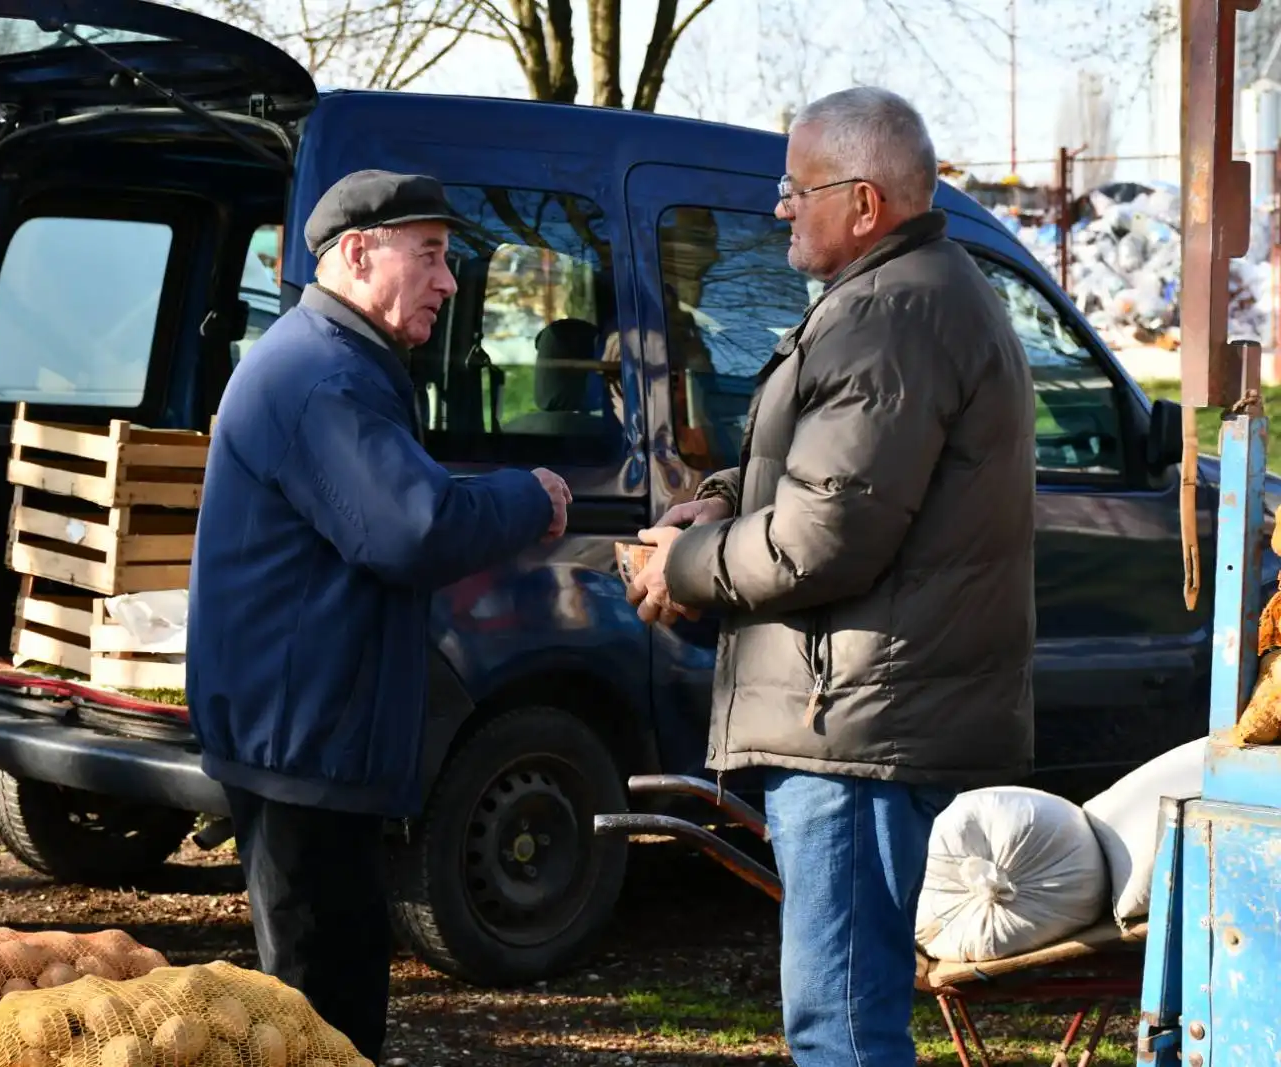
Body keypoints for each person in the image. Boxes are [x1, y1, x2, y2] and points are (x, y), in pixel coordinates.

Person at [625, 86, 1037, 1067]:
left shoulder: (891, 315)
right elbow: (829, 473)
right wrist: (721, 498)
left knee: (842, 1025)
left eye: (795, 188)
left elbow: (825, 535)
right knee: (844, 1016)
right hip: (856, 714)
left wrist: (679, 563)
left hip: (854, 730)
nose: (778, 208)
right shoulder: (902, 298)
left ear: (863, 203)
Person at [186, 169, 571, 1062]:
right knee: (318, 1023)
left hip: (305, 745)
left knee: (326, 1005)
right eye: (430, 255)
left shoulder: (333, 361)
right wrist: (527, 495)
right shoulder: (326, 376)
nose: (448, 280)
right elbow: (411, 527)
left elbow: (401, 507)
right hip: (301, 754)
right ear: (357, 255)